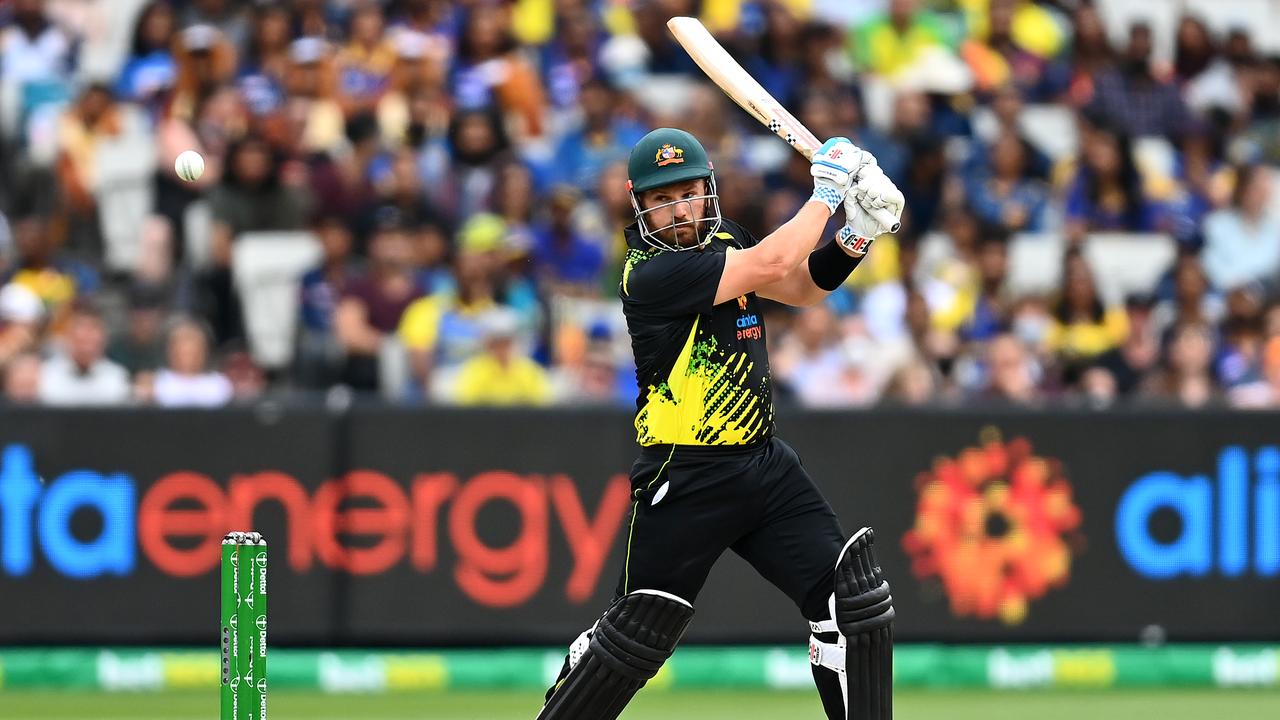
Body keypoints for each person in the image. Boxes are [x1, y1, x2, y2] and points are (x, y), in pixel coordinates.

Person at [536, 129, 903, 720]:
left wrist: (858, 233)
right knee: (634, 638)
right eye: (662, 199)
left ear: (708, 191)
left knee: (853, 603)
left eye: (687, 193)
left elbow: (802, 285)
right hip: (686, 475)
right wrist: (828, 192)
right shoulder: (649, 273)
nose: (678, 209)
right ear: (639, 206)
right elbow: (775, 260)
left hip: (763, 464)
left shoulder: (728, 240)